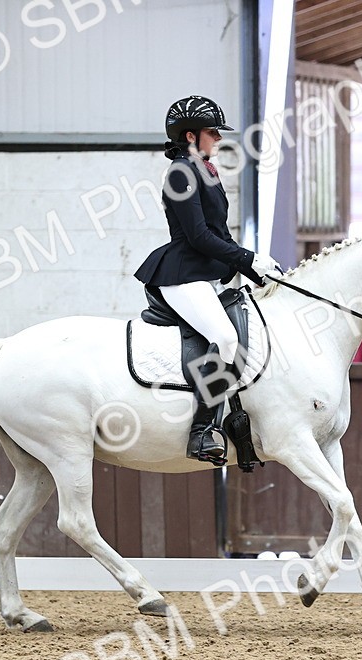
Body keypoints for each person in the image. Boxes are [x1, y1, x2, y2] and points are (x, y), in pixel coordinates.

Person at [134, 96, 282, 464]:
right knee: (226, 337)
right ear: (190, 135)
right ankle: (200, 431)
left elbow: (220, 234)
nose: (217, 138)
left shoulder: (204, 170)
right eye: (212, 132)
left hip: (203, 272)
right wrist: (246, 258)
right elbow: (199, 236)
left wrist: (254, 267)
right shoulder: (181, 173)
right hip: (183, 273)